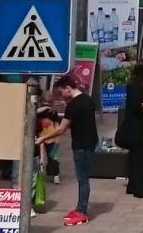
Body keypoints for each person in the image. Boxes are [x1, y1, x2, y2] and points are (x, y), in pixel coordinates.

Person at [36, 75, 98, 226]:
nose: (61, 96)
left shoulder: (73, 105)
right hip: (90, 142)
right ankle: (79, 207)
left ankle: (82, 211)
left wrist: (42, 139)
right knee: (83, 178)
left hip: (81, 145)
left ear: (68, 88)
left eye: (61, 92)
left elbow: (61, 129)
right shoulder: (89, 100)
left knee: (82, 179)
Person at [121, 61, 143, 199]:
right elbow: (138, 107)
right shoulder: (135, 86)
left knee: (136, 158)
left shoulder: (138, 83)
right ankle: (140, 189)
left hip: (138, 126)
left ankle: (133, 185)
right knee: (139, 158)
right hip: (136, 127)